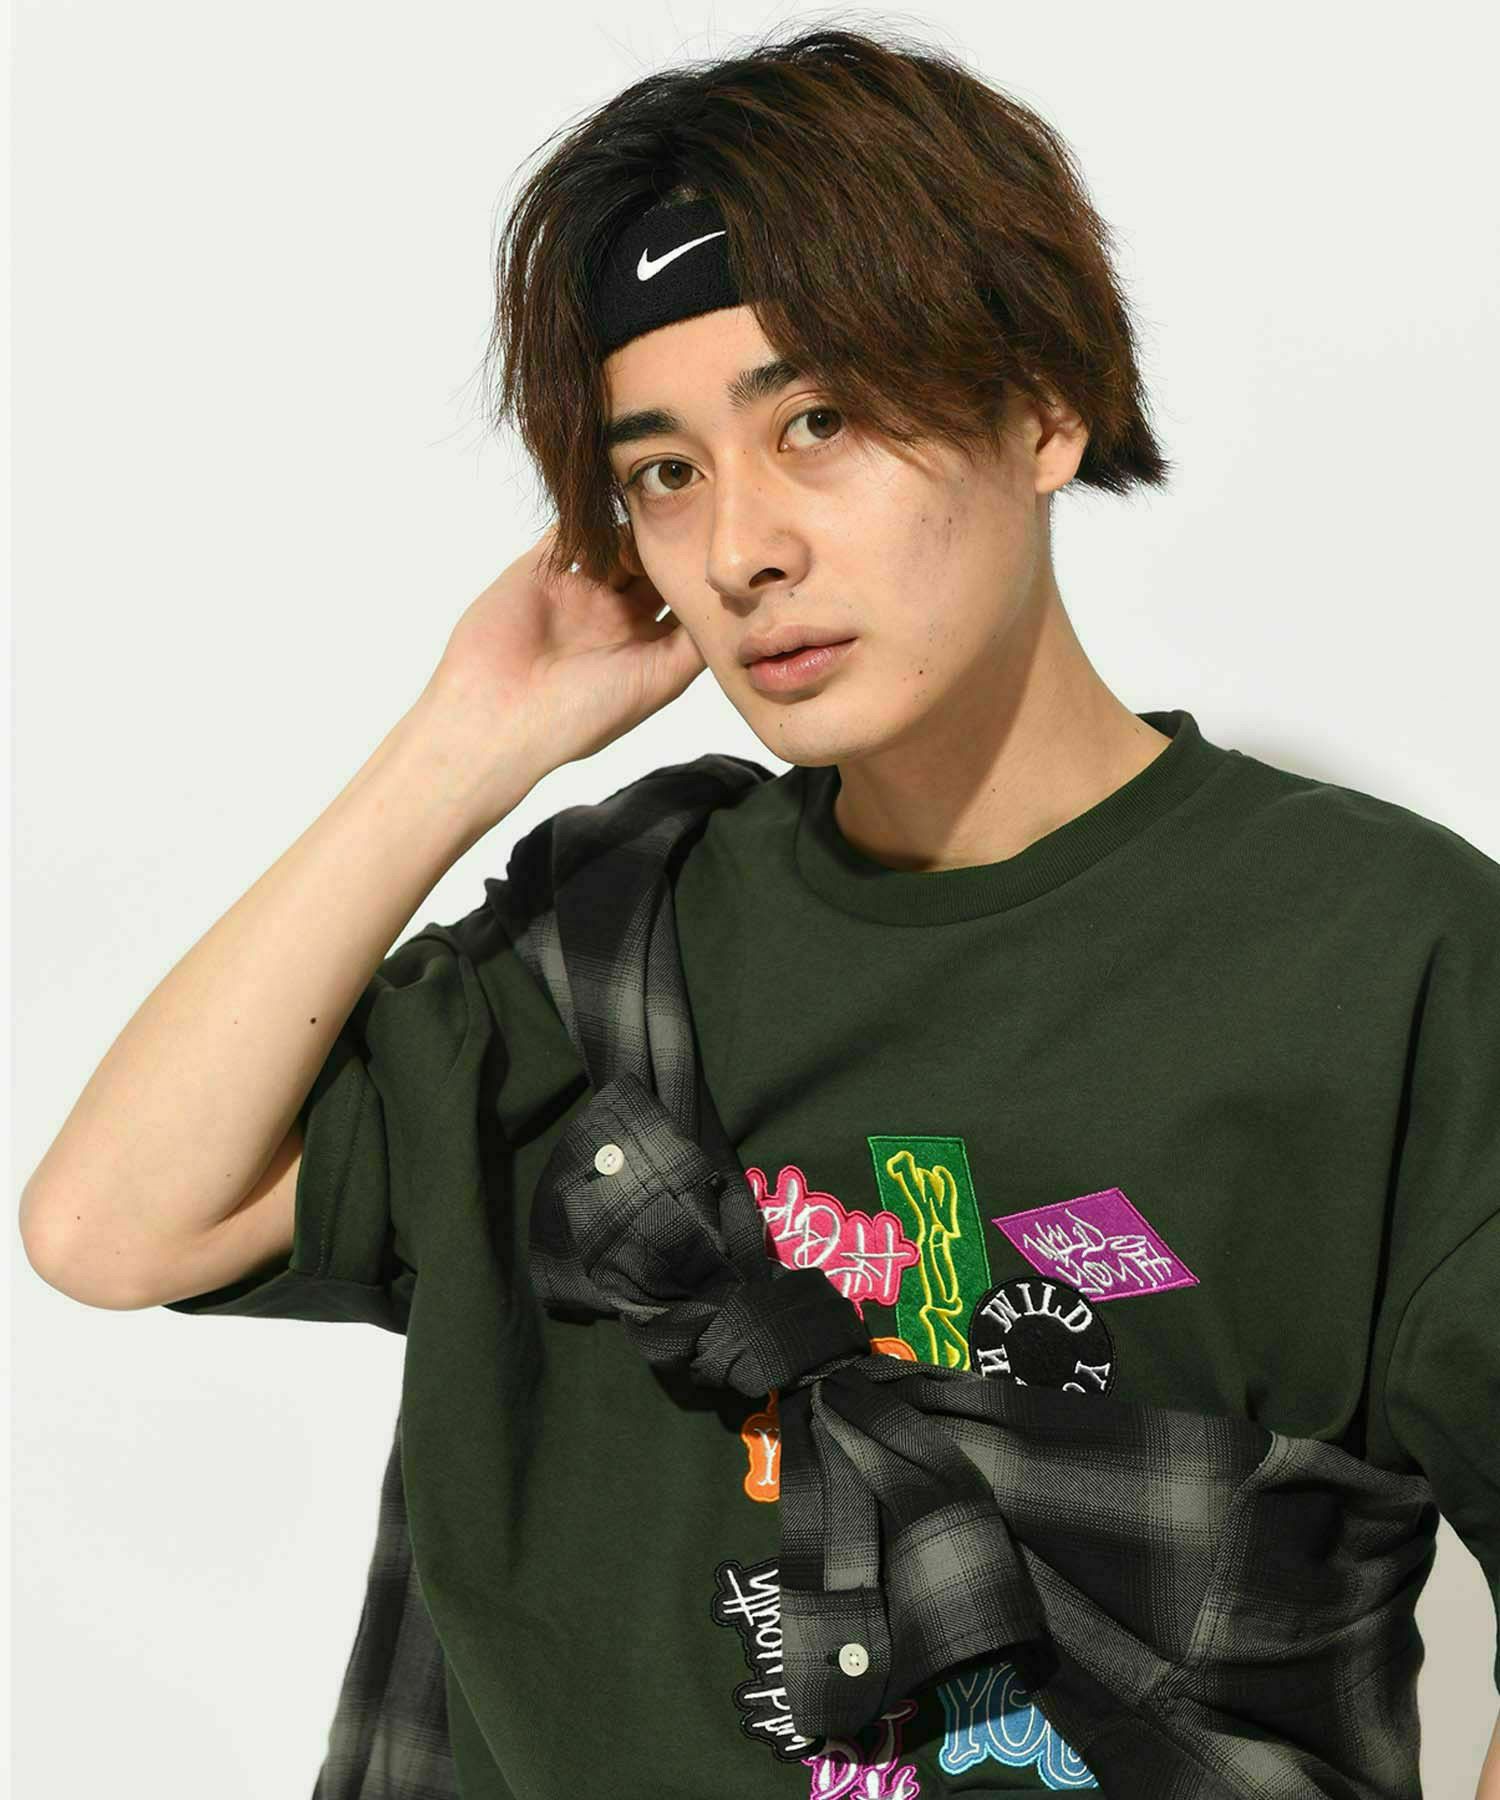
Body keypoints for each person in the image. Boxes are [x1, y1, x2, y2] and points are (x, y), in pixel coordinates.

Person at [20, 20, 1500, 1799]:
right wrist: (466, 742)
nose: (740, 549)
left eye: (820, 422)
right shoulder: (609, 949)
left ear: (1044, 408)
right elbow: (119, 1226)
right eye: (666, 471)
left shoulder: (1384, 955)